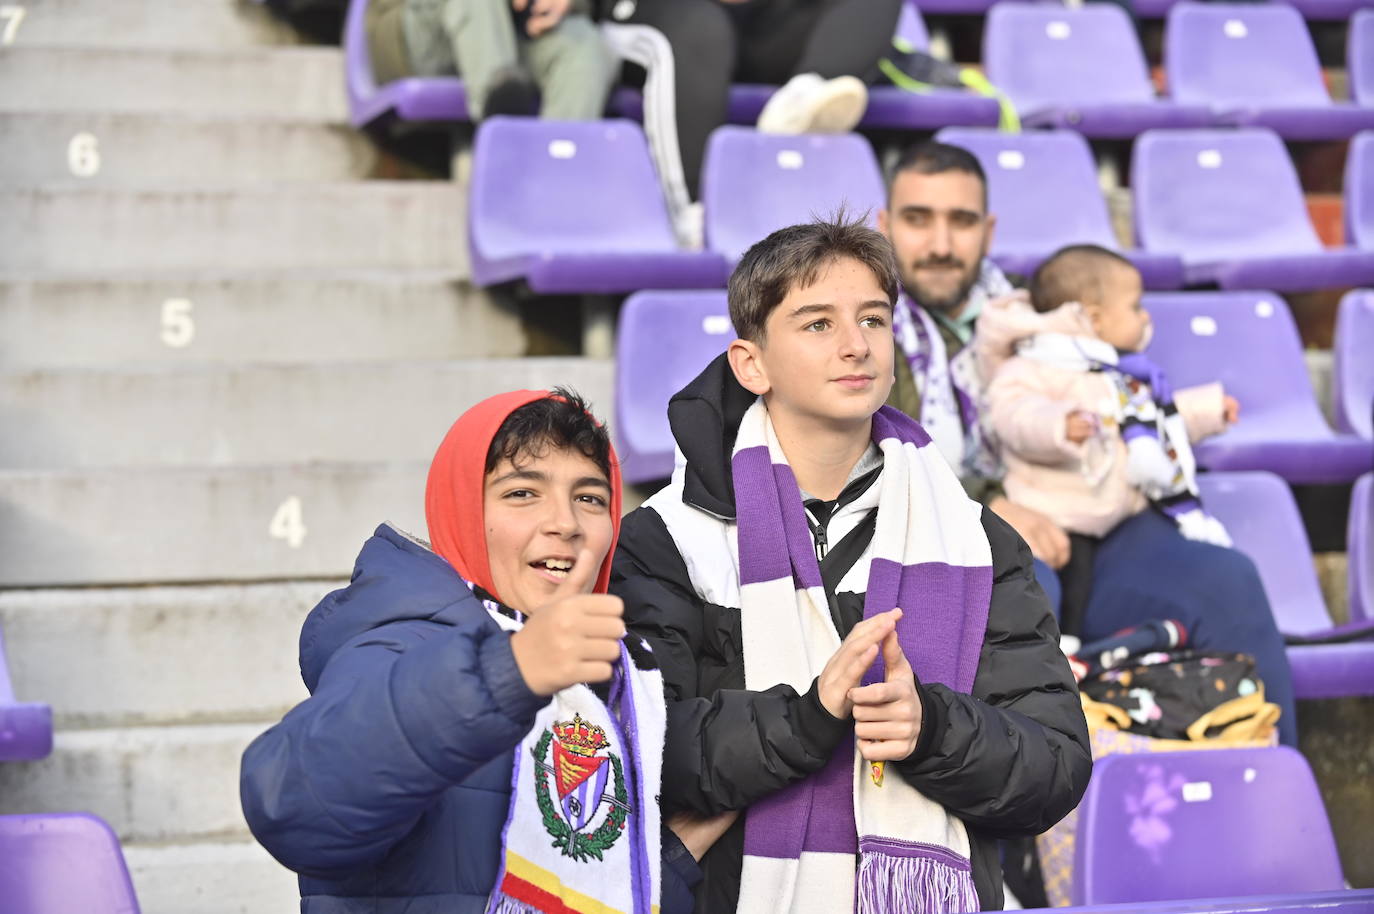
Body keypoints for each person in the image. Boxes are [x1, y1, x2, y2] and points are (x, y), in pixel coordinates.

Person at [611, 215, 1092, 913]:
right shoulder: (669, 539)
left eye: (874, 318)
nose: (855, 344)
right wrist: (807, 721)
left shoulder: (974, 537)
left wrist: (931, 729)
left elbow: (1055, 764)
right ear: (752, 364)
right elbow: (645, 750)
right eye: (816, 324)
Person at [239, 388, 724, 913]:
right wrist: (508, 672)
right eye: (521, 493)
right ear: (462, 512)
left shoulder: (616, 676)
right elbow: (294, 806)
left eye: (589, 497)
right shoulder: (400, 640)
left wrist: (664, 868)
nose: (565, 522)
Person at [879, 142, 1298, 746]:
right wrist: (981, 508)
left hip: (1094, 523)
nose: (941, 243)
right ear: (885, 225)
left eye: (962, 221)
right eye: (919, 219)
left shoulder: (1048, 309)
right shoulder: (861, 322)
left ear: (989, 230)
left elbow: (1125, 399)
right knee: (1015, 593)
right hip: (958, 540)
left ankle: (1275, 803)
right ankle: (1015, 832)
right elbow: (857, 460)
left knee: (1226, 580)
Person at [601, 0, 904, 229]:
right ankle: (692, 214)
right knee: (700, 27)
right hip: (659, 13)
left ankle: (805, 96)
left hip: (755, 19)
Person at [367, 0, 618, 121]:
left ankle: (557, 176)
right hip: (418, 34)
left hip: (514, 32)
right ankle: (502, 139)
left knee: (583, 44)